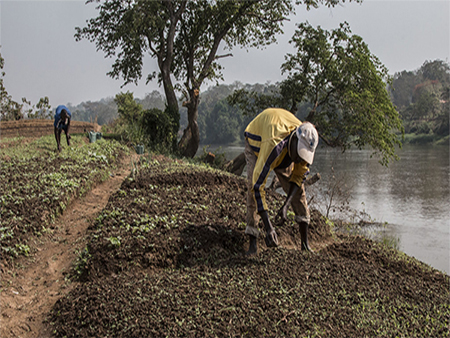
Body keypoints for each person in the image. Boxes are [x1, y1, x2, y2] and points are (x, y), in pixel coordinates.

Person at [244, 108, 319, 256]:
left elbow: (298, 179)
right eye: (299, 154)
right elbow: (258, 186)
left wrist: (286, 205)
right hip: (257, 143)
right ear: (294, 141)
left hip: (282, 153)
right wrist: (269, 226)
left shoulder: (305, 142)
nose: (299, 159)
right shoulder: (273, 145)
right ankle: (253, 243)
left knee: (300, 193)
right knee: (253, 189)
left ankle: (305, 244)